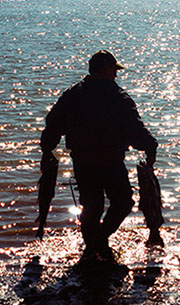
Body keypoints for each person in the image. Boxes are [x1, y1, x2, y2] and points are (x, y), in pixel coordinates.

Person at [40, 50, 158, 263]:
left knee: (91, 205)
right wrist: (150, 147)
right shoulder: (118, 96)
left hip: (82, 160)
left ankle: (92, 248)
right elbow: (134, 127)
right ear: (104, 69)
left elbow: (53, 123)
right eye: (114, 69)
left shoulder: (73, 94)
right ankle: (100, 241)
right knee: (123, 201)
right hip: (110, 159)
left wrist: (47, 149)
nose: (116, 74)